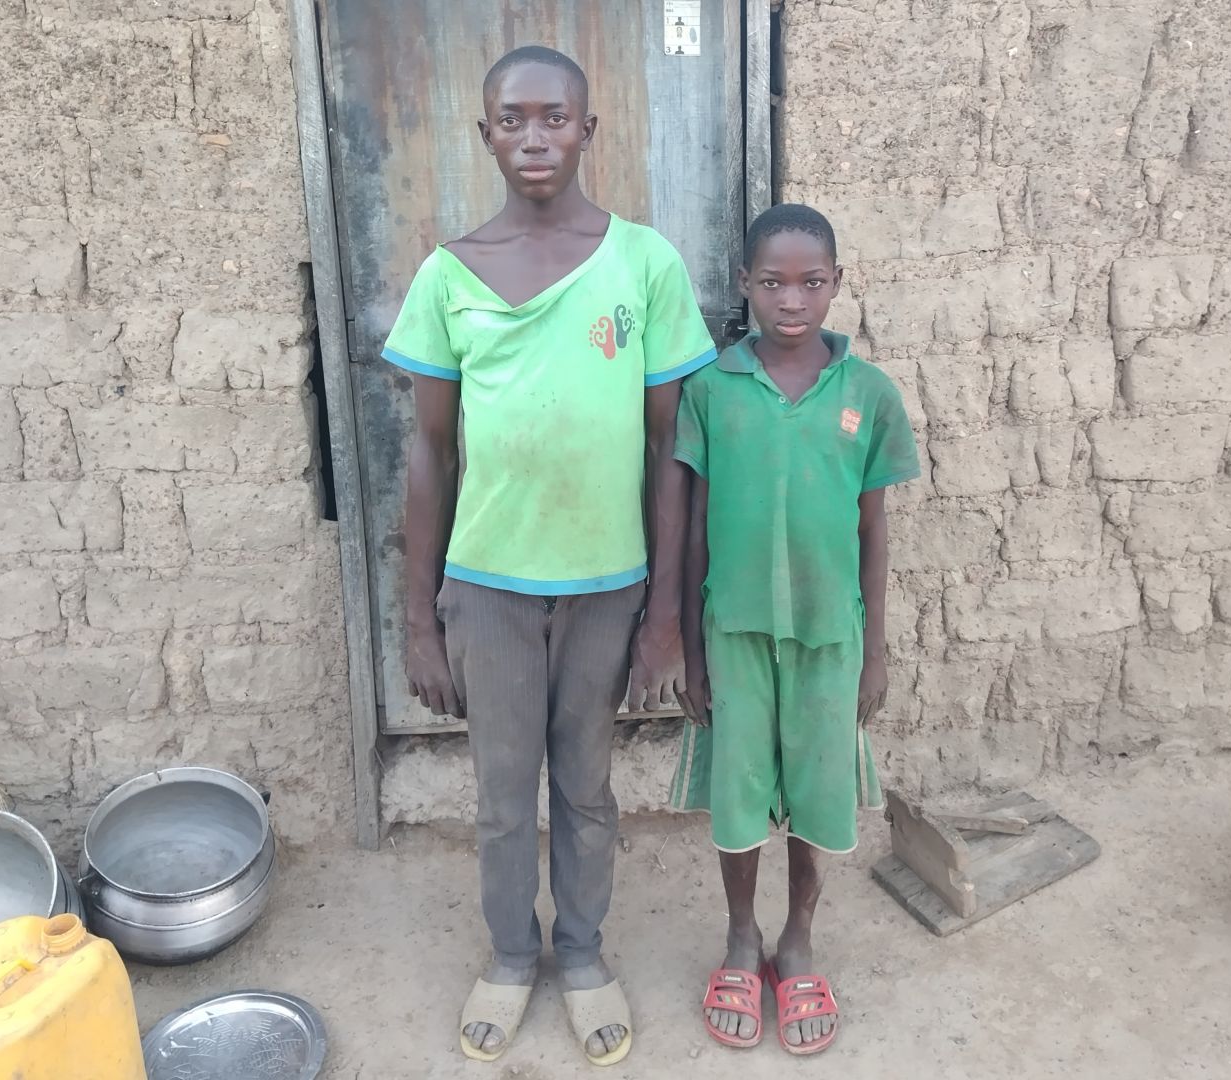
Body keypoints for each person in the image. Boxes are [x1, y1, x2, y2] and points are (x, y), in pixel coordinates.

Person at [381, 45, 715, 1066]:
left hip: (608, 587)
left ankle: (581, 952)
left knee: (585, 787)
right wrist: (419, 617)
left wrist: (666, 613)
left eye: (555, 118)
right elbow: (431, 455)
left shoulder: (644, 264)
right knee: (500, 793)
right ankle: (509, 955)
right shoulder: (449, 275)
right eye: (513, 119)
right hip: (488, 587)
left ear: (587, 130)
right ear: (485, 134)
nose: (535, 137)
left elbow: (670, 450)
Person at [669, 204, 920, 1055]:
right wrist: (690, 647)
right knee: (739, 793)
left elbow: (873, 531)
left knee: (819, 791)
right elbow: (693, 532)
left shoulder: (868, 393)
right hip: (734, 633)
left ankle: (798, 941)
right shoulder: (711, 391)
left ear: (836, 284)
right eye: (772, 282)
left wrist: (874, 652)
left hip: (829, 636)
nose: (791, 300)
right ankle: (742, 937)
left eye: (811, 282)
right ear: (745, 284)